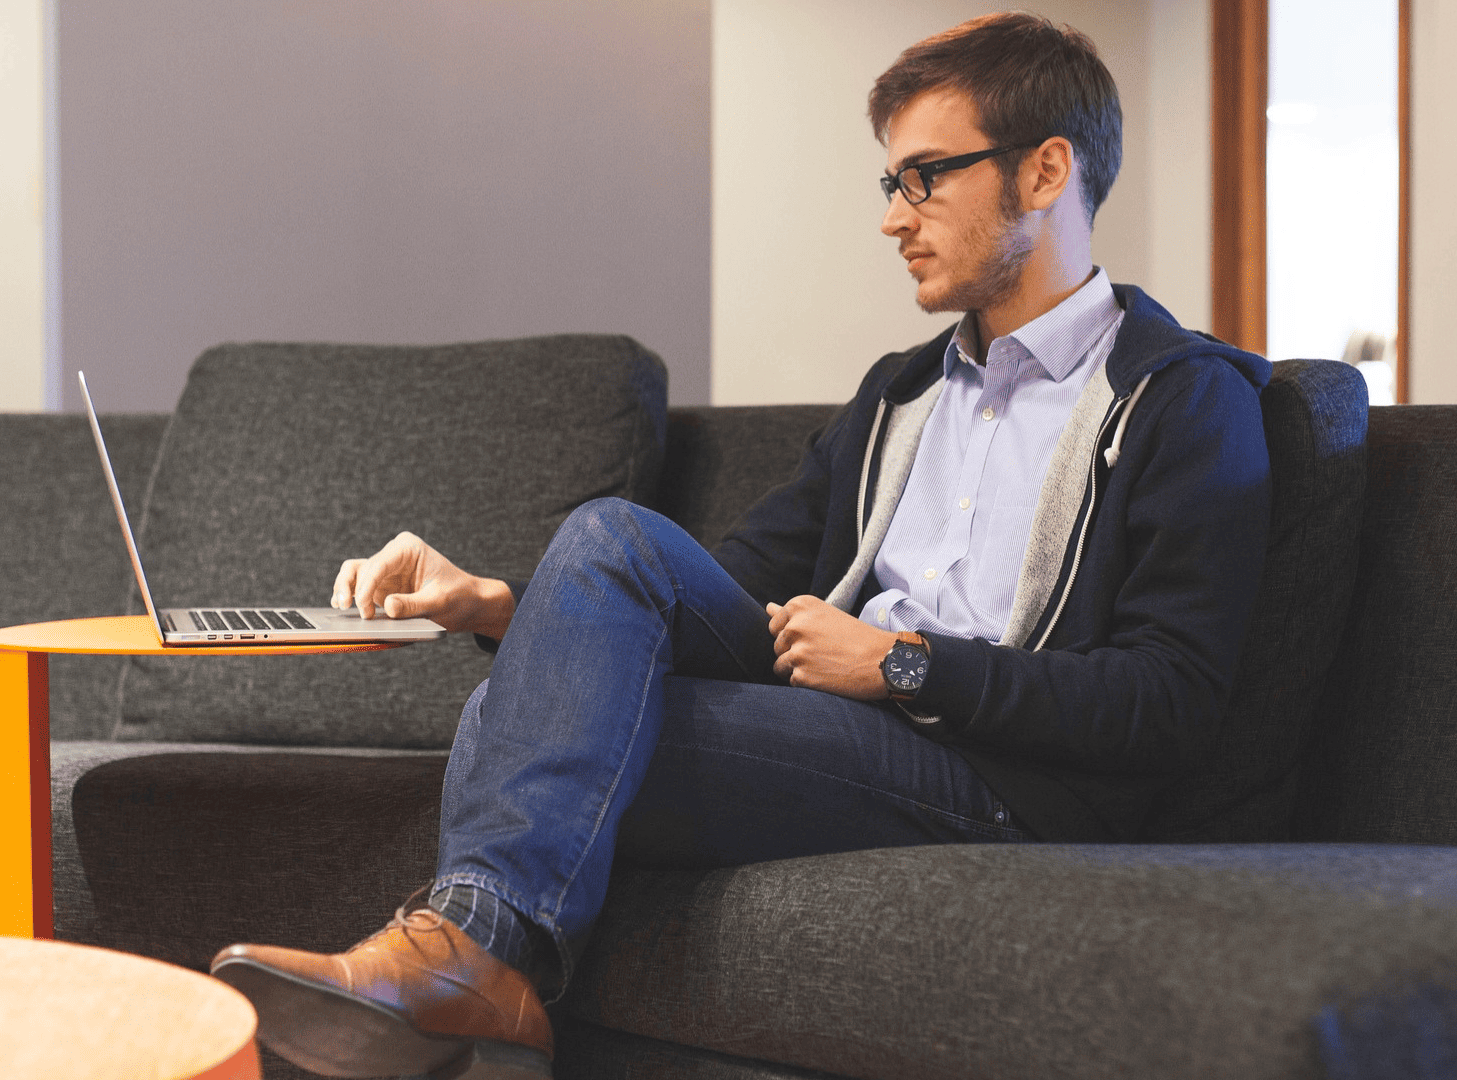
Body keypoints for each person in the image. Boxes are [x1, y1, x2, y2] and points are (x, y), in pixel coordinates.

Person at [210, 12, 1272, 1080]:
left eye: (926, 178)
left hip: (1002, 777)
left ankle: (469, 972)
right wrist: (491, 600)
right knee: (604, 559)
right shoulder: (901, 395)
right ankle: (478, 983)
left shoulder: (1181, 399)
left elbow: (1170, 702)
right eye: (890, 185)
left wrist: (899, 665)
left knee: (521, 718)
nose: (896, 218)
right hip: (845, 724)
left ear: (1046, 172)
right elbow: (719, 586)